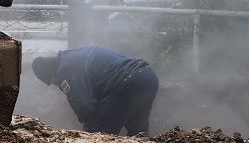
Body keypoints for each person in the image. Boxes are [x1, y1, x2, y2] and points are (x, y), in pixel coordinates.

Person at [30, 46, 159, 135]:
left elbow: (84, 106)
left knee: (96, 135)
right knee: (138, 130)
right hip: (147, 76)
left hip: (126, 83)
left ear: (51, 74)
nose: (56, 85)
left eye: (53, 82)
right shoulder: (72, 56)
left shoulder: (65, 70)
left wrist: (87, 127)